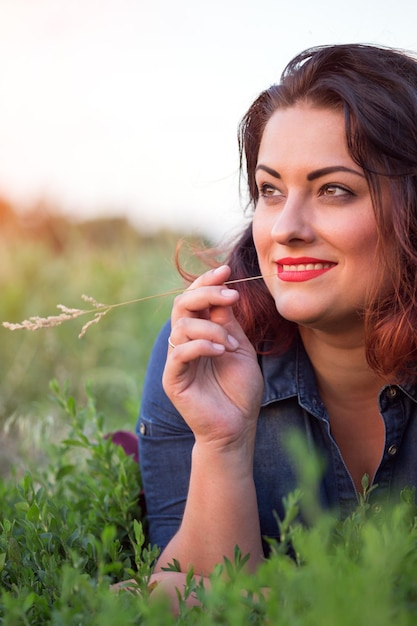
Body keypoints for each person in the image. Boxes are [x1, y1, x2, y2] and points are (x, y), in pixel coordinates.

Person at [136, 43, 417, 594]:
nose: (286, 227)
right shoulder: (205, 351)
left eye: (334, 190)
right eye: (270, 190)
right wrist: (221, 443)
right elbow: (188, 596)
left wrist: (273, 595)